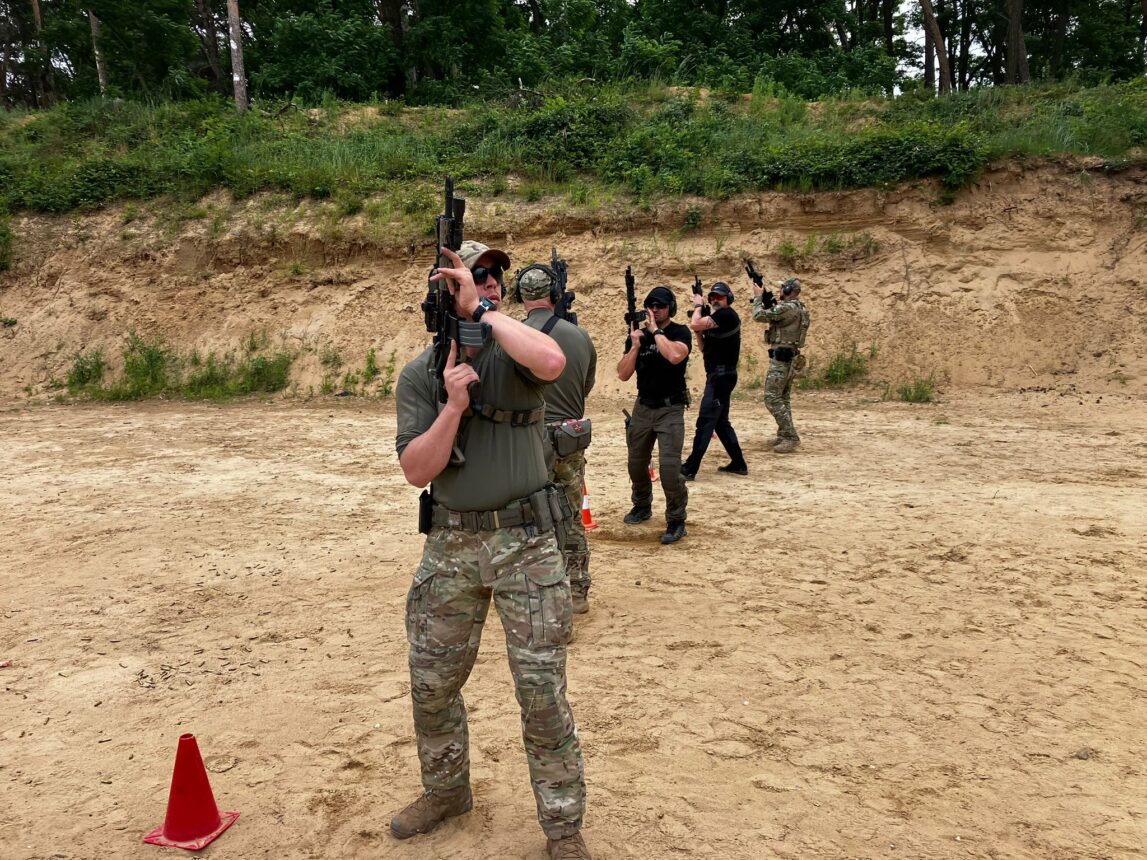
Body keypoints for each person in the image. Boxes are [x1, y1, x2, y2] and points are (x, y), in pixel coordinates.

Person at [392, 240, 592, 860]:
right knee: (431, 683)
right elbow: (415, 470)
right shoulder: (420, 375)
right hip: (451, 544)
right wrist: (452, 405)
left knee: (540, 692)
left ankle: (563, 831)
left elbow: (554, 359)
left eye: (493, 278)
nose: (489, 284)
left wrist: (482, 313)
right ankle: (446, 791)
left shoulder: (515, 349)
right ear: (439, 292)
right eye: (473, 277)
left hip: (526, 544)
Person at [516, 264, 598, 615]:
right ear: (555, 294)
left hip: (526, 440)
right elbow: (587, 387)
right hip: (568, 440)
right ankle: (577, 589)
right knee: (571, 517)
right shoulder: (579, 337)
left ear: (522, 297)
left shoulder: (512, 336)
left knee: (525, 519)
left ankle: (532, 588)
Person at [617, 285, 691, 545]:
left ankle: (676, 520)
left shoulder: (679, 332)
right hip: (643, 407)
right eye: (651, 306)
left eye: (660, 305)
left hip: (670, 409)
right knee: (636, 464)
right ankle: (641, 506)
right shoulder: (639, 337)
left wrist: (655, 331)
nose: (655, 310)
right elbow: (623, 374)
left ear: (670, 307)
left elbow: (673, 356)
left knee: (669, 470)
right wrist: (635, 345)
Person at [681, 281, 748, 479]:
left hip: (721, 377)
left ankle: (690, 468)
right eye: (712, 298)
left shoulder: (726, 315)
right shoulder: (718, 320)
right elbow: (703, 347)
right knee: (720, 422)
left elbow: (694, 323)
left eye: (719, 297)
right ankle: (738, 463)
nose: (715, 300)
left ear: (729, 299)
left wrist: (698, 306)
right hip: (719, 376)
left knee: (706, 421)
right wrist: (700, 331)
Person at [749, 275, 810, 454]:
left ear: (789, 290)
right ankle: (784, 433)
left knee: (771, 398)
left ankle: (790, 436)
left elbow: (758, 315)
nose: (780, 291)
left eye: (783, 288)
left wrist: (759, 297)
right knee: (783, 398)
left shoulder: (788, 309)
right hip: (788, 358)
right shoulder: (798, 308)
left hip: (781, 360)